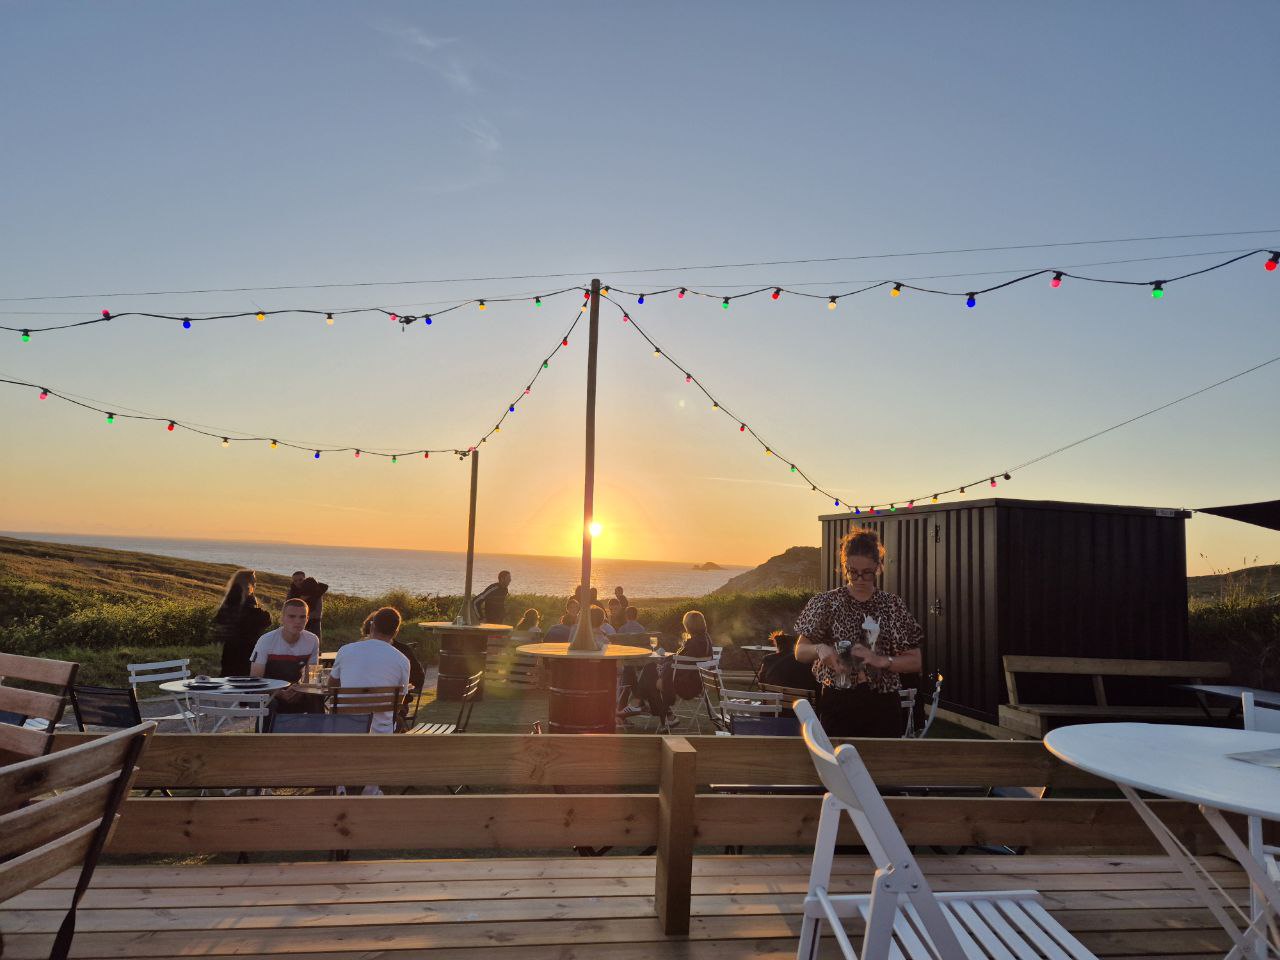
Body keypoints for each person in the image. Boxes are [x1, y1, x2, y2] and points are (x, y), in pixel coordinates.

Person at [795, 527, 923, 737]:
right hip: (837, 701)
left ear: (878, 567)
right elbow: (800, 651)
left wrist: (880, 660)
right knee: (838, 757)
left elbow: (915, 661)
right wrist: (819, 649)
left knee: (881, 759)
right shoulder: (826, 602)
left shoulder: (892, 605)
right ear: (844, 567)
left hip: (882, 704)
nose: (860, 579)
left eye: (867, 573)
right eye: (853, 572)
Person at [330, 607, 411, 735]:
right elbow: (399, 702)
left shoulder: (345, 650)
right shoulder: (403, 660)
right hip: (382, 732)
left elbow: (331, 687)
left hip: (345, 728)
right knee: (399, 723)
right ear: (395, 632)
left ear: (372, 626)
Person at [250, 599, 322, 715]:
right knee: (270, 703)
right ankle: (268, 727)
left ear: (307, 619)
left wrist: (299, 690)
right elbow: (255, 679)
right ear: (282, 618)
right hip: (267, 690)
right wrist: (279, 693)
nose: (297, 621)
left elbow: (312, 677)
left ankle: (318, 727)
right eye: (292, 616)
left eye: (302, 617)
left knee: (316, 697)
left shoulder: (312, 640)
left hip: (294, 689)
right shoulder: (266, 640)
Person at [214, 569, 272, 677]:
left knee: (231, 676)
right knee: (243, 677)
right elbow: (256, 619)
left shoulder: (232, 596)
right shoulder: (241, 596)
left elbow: (220, 619)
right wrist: (264, 615)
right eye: (253, 580)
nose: (255, 583)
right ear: (247, 581)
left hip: (232, 646)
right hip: (244, 646)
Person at [286, 571, 329, 638]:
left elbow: (318, 612)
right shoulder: (292, 592)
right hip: (296, 623)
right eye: (295, 581)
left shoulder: (315, 590)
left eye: (300, 580)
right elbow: (287, 608)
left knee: (315, 642)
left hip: (313, 622)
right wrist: (301, 600)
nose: (298, 582)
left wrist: (302, 617)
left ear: (304, 578)